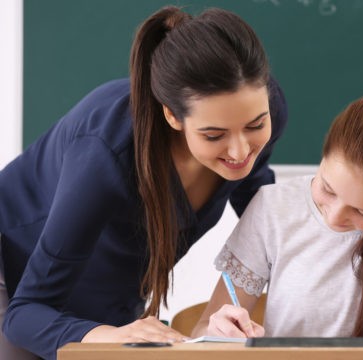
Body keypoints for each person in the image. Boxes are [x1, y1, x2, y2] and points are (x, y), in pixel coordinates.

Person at [0, 5, 287, 359]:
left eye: (256, 126)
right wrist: (106, 334)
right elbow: (25, 313)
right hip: (16, 272)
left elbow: (264, 219)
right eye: (214, 135)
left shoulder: (261, 108)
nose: (241, 149)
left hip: (107, 290)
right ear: (172, 115)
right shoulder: (105, 155)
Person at [192, 93, 363, 342]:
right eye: (327, 188)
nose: (336, 217)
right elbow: (203, 331)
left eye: (362, 211)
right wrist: (217, 330)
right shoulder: (273, 206)